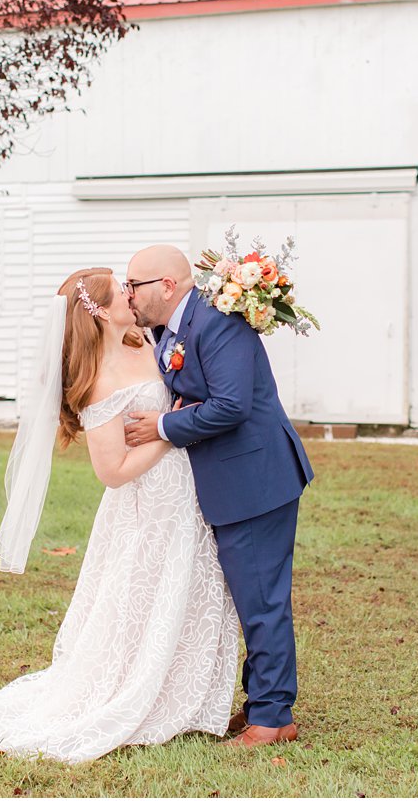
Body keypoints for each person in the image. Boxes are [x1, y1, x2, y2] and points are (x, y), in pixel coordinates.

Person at [0, 268, 239, 764]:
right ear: (97, 310)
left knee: (190, 587)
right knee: (146, 595)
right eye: (122, 291)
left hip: (188, 492)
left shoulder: (147, 340)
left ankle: (191, 696)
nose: (131, 295)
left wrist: (177, 421)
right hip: (147, 503)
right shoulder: (98, 381)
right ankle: (142, 693)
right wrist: (167, 434)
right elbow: (113, 471)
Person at [121, 245, 314, 747]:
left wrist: (164, 424)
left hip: (255, 479)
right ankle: (262, 705)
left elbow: (230, 405)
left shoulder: (218, 321)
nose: (128, 295)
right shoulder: (173, 328)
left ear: (166, 285)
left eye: (133, 285)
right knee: (254, 597)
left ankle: (274, 719)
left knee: (262, 600)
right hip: (232, 480)